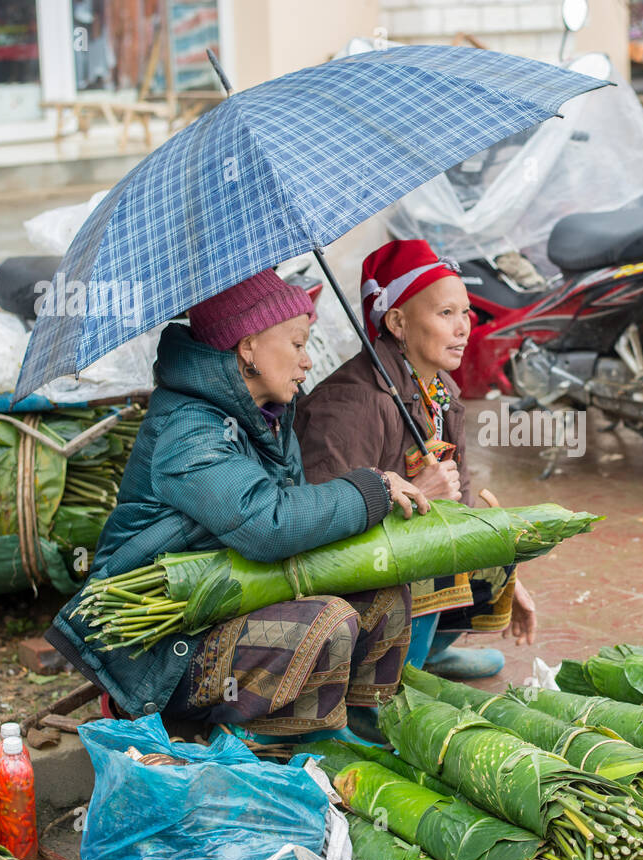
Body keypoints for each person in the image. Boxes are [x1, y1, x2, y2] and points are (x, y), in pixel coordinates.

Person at [44, 268, 430, 745]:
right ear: (248, 347)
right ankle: (286, 746)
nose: (307, 361)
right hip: (167, 647)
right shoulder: (190, 430)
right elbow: (268, 524)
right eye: (296, 344)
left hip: (236, 605)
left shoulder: (265, 416)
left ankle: (369, 732)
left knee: (384, 592)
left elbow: (294, 515)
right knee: (326, 623)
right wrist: (371, 490)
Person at [295, 239, 537, 682]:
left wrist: (507, 570)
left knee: (494, 541)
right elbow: (318, 525)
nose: (464, 326)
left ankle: (426, 655)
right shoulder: (349, 403)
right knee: (425, 546)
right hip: (345, 587)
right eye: (446, 313)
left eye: (465, 312)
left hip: (395, 567)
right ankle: (387, 684)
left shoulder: (439, 391)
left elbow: (459, 505)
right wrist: (411, 495)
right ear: (398, 322)